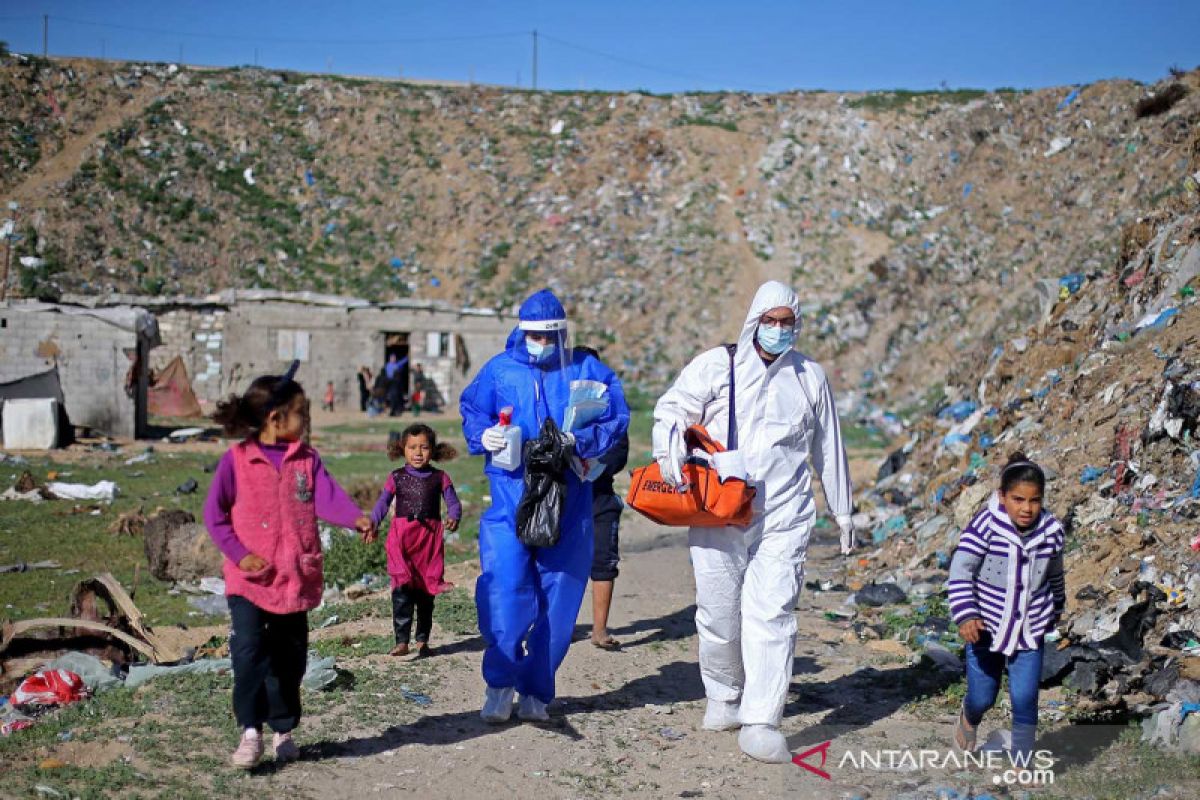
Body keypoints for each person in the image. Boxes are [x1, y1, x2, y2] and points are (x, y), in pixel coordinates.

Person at [652, 280, 855, 763]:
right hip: (719, 509)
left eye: (788, 322)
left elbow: (829, 446)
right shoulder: (717, 366)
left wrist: (843, 510)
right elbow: (673, 408)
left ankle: (763, 719)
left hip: (785, 513)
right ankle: (724, 694)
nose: (779, 330)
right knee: (720, 613)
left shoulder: (810, 377)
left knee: (773, 613)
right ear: (754, 321)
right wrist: (669, 447)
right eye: (771, 320)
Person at [460, 288, 629, 723]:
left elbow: (616, 417)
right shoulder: (499, 371)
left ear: (562, 334)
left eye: (549, 336)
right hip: (509, 500)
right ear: (521, 330)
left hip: (568, 504)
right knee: (504, 589)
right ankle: (499, 684)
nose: (541, 343)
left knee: (558, 598)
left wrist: (582, 440)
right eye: (533, 334)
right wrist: (484, 437)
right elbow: (472, 409)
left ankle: (537, 689)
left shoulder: (586, 371)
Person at [204, 362, 373, 769]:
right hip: (249, 579)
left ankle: (283, 729)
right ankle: (250, 730)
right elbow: (215, 515)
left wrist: (355, 517)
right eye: (302, 414)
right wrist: (241, 554)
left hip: (294, 578)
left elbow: (327, 497)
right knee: (248, 652)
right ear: (276, 419)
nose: (307, 422)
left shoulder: (306, 459)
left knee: (290, 658)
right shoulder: (238, 460)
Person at [948, 452, 1065, 761]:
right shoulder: (986, 525)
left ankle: (1022, 763)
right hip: (984, 628)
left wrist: (1055, 610)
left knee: (1025, 697)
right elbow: (961, 570)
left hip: (1029, 628)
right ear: (1002, 497)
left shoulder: (1051, 531)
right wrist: (967, 614)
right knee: (983, 696)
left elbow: (1055, 574)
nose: (1026, 508)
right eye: (1018, 499)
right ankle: (969, 717)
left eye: (1034, 500)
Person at [365, 424, 461, 657]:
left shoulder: (440, 477)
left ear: (433, 450)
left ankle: (422, 640)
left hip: (428, 541)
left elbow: (453, 503)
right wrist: (373, 523)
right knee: (402, 590)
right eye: (412, 447)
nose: (418, 453)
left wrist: (454, 516)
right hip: (401, 541)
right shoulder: (396, 477)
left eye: (424, 447)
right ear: (403, 449)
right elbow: (382, 503)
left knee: (425, 593)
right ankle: (401, 641)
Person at [574, 345, 629, 650]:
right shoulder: (558, 406)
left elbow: (620, 452)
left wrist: (595, 466)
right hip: (565, 500)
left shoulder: (614, 411)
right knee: (563, 566)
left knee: (603, 563)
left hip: (600, 497)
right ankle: (562, 626)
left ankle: (599, 630)